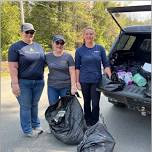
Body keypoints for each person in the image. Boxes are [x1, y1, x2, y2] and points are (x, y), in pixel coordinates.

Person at [8, 23, 45, 137]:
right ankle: (28, 130)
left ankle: (36, 124)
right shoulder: (15, 47)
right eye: (27, 32)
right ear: (21, 33)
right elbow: (13, 67)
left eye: (32, 32)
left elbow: (43, 62)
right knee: (26, 106)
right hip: (23, 82)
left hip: (39, 82)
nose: (29, 34)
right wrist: (15, 84)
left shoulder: (39, 47)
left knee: (34, 104)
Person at [75, 27, 111, 126]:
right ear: (84, 36)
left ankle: (95, 122)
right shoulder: (79, 51)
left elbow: (106, 64)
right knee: (86, 102)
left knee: (95, 103)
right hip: (84, 80)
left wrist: (110, 77)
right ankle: (87, 120)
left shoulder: (100, 49)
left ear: (94, 35)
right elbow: (77, 67)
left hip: (96, 80)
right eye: (87, 34)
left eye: (91, 34)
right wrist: (77, 81)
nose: (89, 36)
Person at [45, 35, 77, 105]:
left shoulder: (68, 57)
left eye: (61, 43)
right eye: (57, 43)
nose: (59, 45)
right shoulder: (47, 56)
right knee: (53, 108)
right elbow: (38, 67)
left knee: (66, 108)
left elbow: (72, 73)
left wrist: (73, 87)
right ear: (52, 43)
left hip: (66, 87)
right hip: (52, 87)